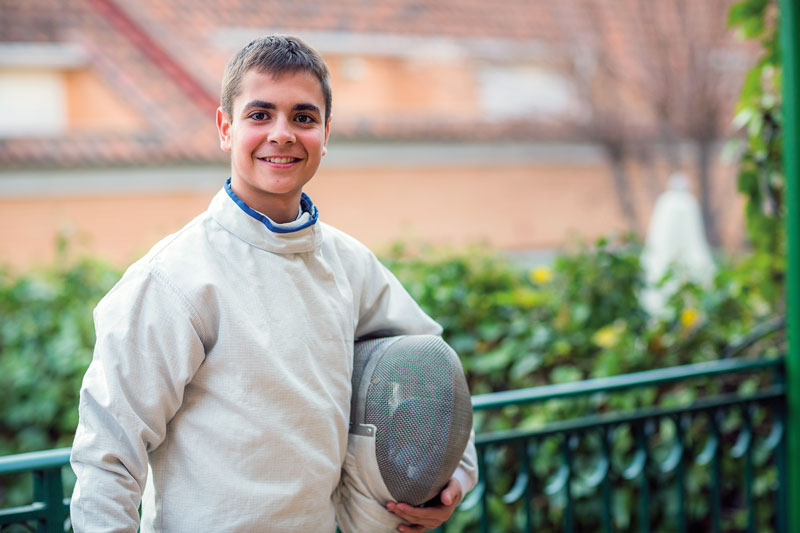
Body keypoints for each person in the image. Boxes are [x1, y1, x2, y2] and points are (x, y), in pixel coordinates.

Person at [69, 34, 477, 532]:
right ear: (225, 127)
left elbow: (431, 366)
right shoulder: (174, 278)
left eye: (303, 118)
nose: (282, 133)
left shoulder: (349, 263)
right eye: (260, 115)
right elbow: (108, 452)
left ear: (326, 133)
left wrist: (452, 471)